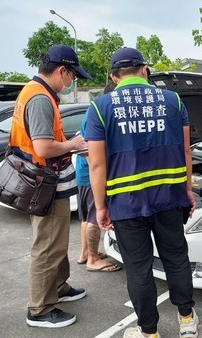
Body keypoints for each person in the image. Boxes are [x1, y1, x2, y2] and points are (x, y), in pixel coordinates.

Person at [85, 47, 198, 338]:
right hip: (169, 197)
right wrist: (187, 189)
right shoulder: (173, 100)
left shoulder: (100, 107)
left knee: (138, 269)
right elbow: (186, 150)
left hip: (126, 203)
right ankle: (187, 320)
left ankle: (149, 333)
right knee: (176, 258)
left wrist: (101, 207)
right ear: (144, 70)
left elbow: (97, 164)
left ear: (113, 76)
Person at [9, 44, 93, 328]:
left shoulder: (34, 91)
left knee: (57, 240)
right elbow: (44, 147)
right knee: (47, 245)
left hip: (47, 180)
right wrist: (74, 144)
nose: (72, 82)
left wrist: (69, 145)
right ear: (62, 71)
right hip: (44, 182)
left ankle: (59, 288)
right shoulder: (41, 99)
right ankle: (41, 309)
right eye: (72, 76)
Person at [74, 81, 122, 272]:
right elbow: (88, 150)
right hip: (91, 174)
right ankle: (93, 259)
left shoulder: (93, 111)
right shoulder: (98, 113)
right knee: (94, 216)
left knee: (86, 217)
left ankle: (85, 253)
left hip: (84, 174)